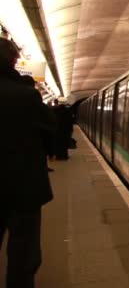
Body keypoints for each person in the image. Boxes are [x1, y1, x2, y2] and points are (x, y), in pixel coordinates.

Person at [0, 37, 54, 288]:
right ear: (13, 61)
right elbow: (50, 137)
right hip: (23, 188)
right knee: (23, 252)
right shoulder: (27, 96)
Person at [20, 75, 56, 172]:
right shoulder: (39, 105)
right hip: (35, 146)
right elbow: (47, 129)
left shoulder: (9, 100)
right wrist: (51, 151)